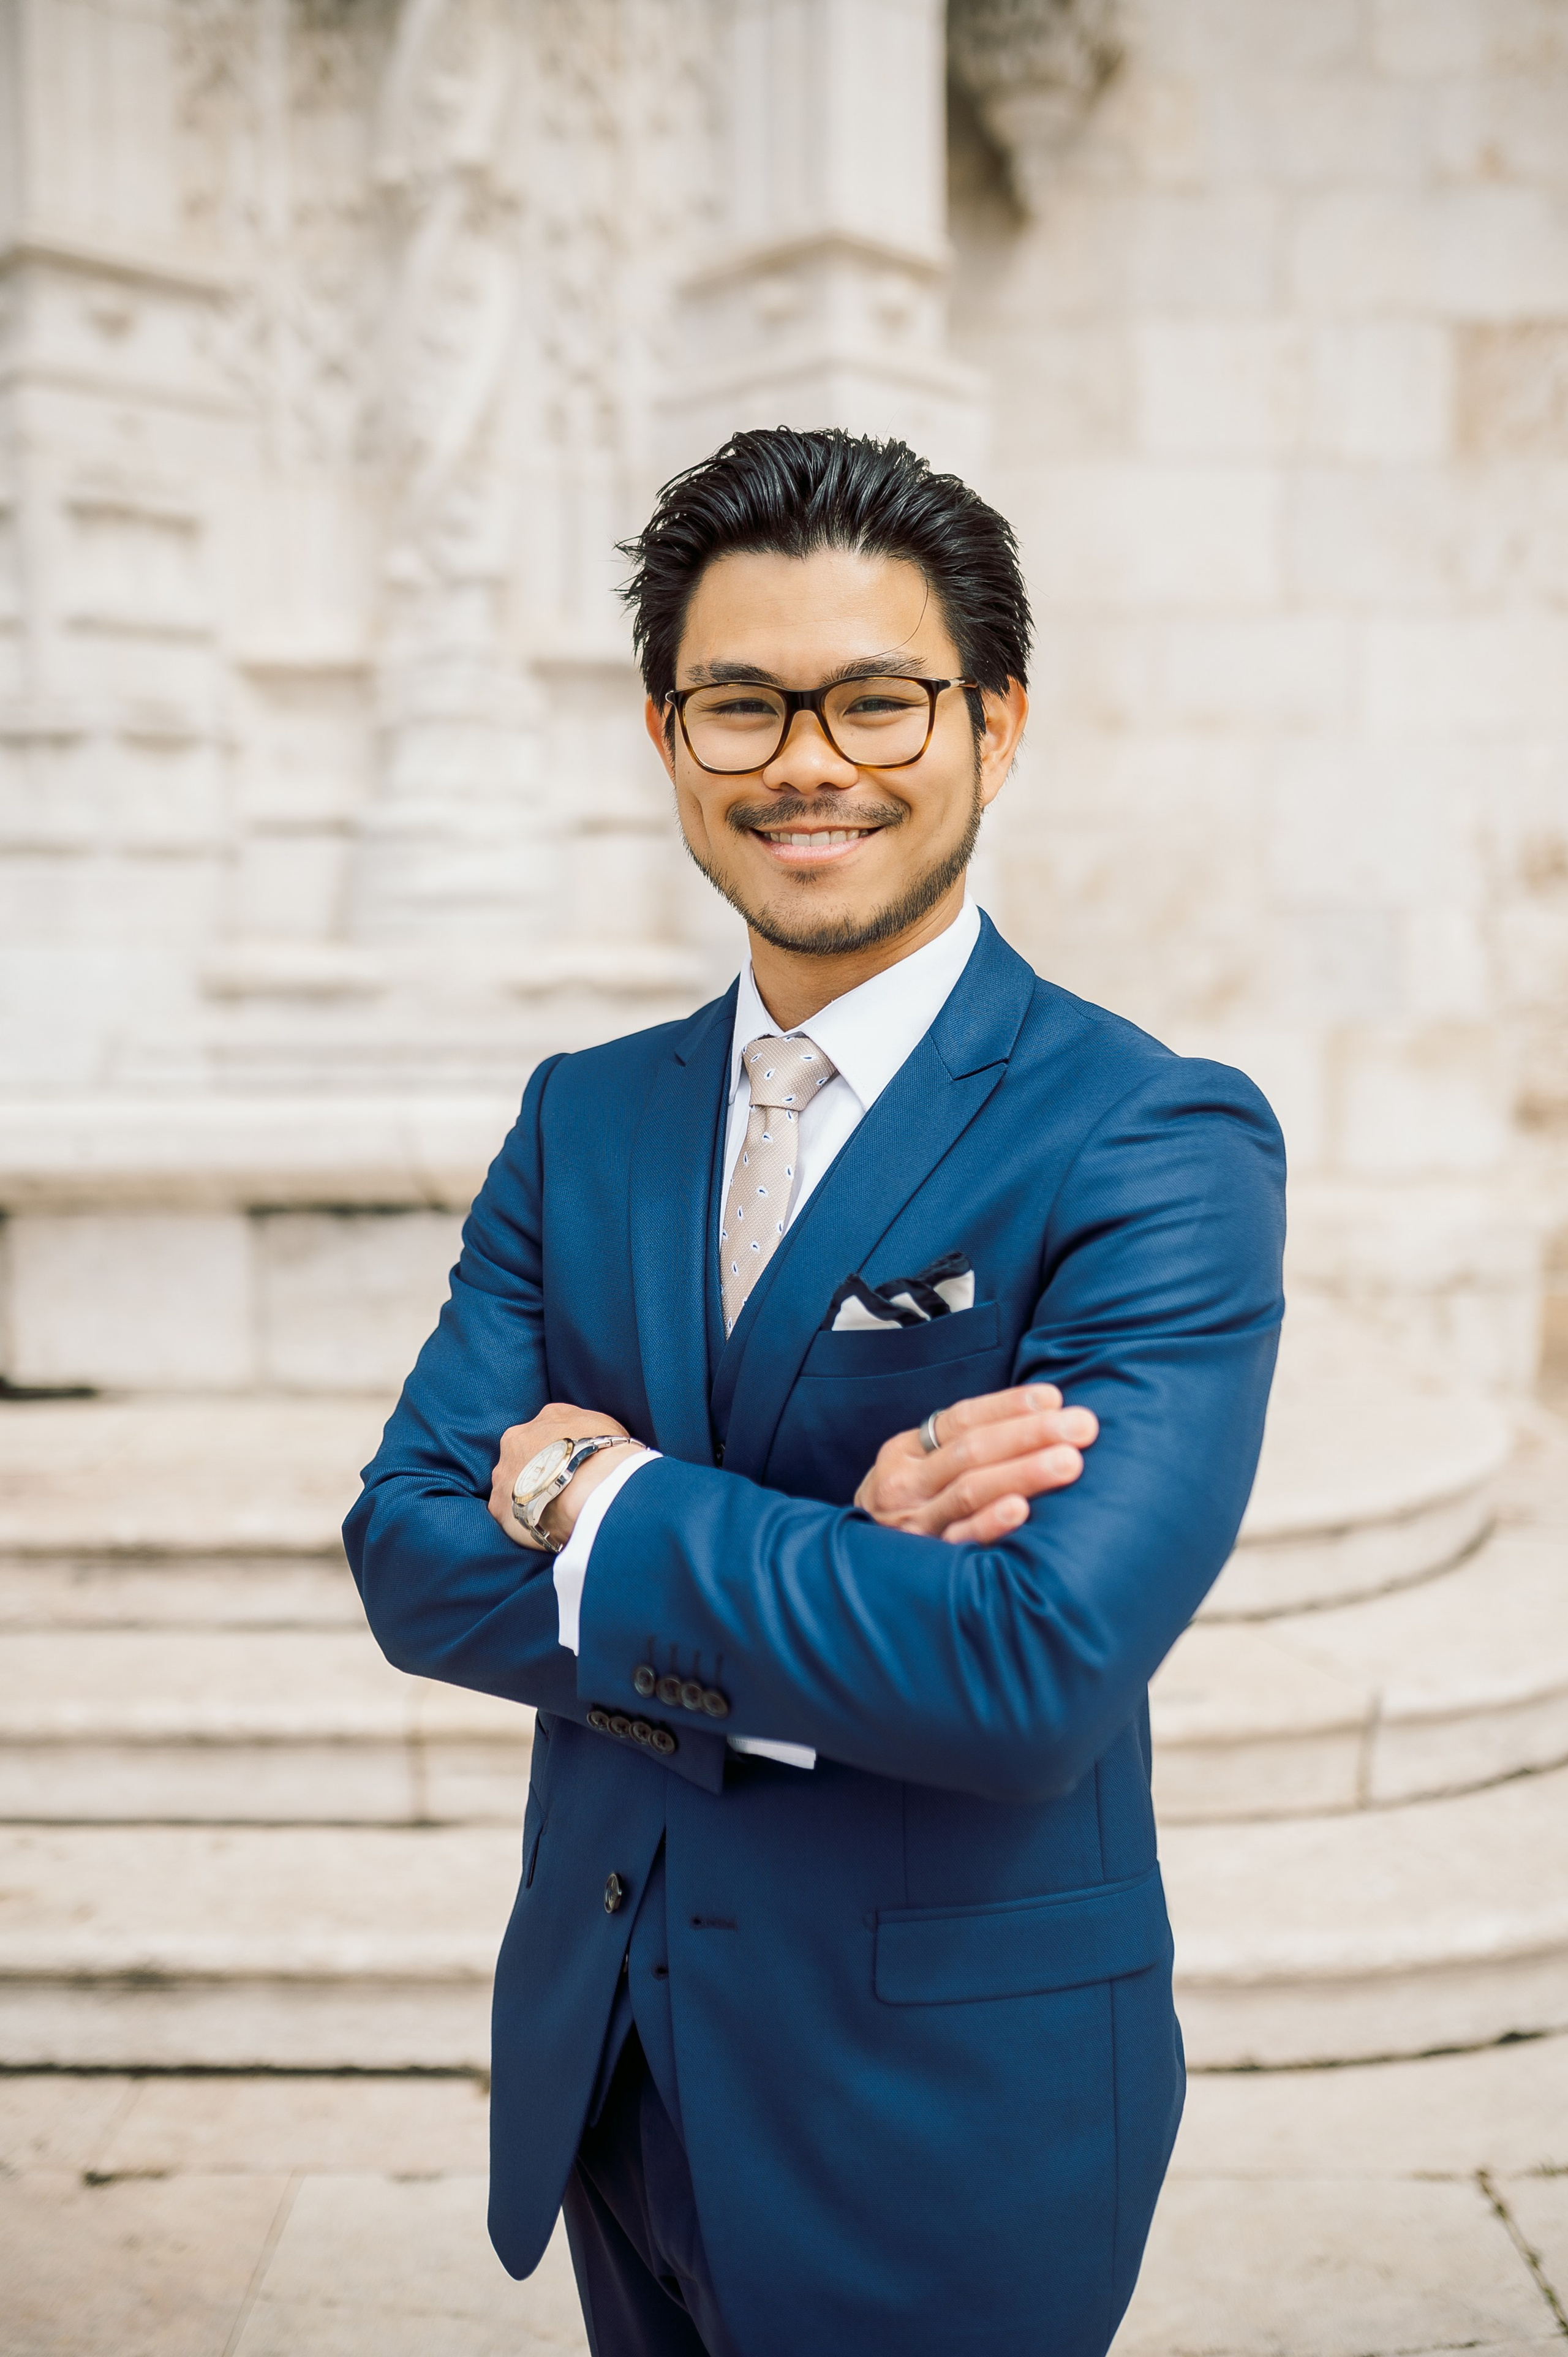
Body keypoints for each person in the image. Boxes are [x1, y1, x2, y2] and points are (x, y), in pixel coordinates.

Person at [345, 426, 1285, 2357]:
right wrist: (844, 1565)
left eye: (878, 698)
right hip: (611, 2064)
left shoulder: (1154, 1140)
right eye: (744, 703)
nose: (809, 761)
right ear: (667, 733)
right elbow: (411, 1556)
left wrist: (598, 1505)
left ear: (996, 722)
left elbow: (1031, 1671)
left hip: (941, 2112)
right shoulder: (582, 1117)